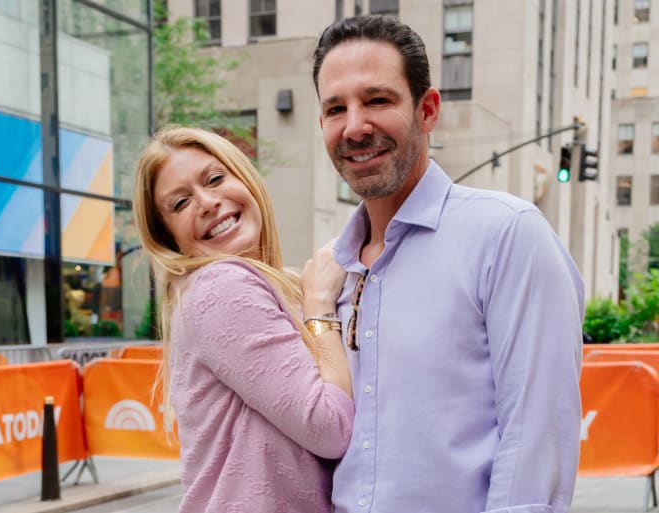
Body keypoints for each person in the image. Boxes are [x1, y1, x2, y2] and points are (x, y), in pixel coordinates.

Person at [312, 15, 585, 513]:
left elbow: (537, 438)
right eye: (336, 109)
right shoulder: (332, 270)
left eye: (377, 100)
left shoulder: (506, 234)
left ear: (428, 109)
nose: (355, 127)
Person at [132, 127, 355, 513]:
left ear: (245, 178)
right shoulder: (222, 285)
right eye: (180, 203)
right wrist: (320, 304)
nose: (206, 202)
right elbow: (330, 426)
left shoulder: (277, 284)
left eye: (215, 179)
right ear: (170, 240)